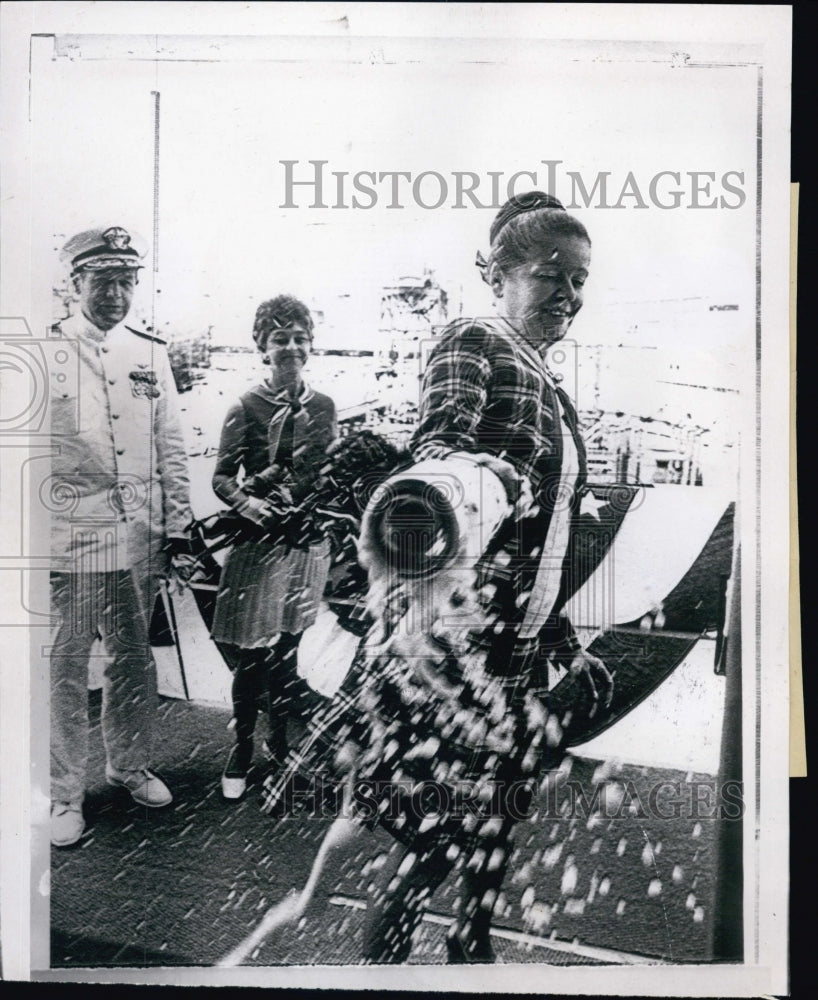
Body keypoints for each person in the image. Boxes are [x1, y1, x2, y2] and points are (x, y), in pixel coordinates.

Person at [355, 191, 614, 962]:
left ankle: (470, 948)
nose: (569, 294)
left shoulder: (554, 390)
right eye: (551, 275)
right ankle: (381, 973)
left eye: (581, 281)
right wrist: (466, 465)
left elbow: (539, 542)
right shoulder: (474, 338)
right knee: (433, 838)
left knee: (494, 823)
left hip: (519, 653)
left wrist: (565, 644)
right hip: (453, 649)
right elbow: (439, 443)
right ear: (497, 274)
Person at [49, 225, 193, 848]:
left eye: (126, 281)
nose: (115, 293)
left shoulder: (149, 352)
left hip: (137, 537)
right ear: (75, 283)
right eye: (102, 280)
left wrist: (180, 526)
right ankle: (63, 794)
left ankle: (127, 766)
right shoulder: (43, 350)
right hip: (68, 538)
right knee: (65, 666)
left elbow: (172, 447)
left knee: (134, 662)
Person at [211, 296, 337, 800]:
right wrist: (249, 505)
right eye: (279, 338)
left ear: (311, 344)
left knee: (288, 652)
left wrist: (322, 501)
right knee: (250, 658)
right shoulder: (244, 407)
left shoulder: (324, 407)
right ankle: (242, 749)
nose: (290, 347)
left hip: (306, 546)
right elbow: (221, 477)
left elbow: (328, 470)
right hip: (258, 546)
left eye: (299, 337)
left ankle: (280, 746)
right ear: (262, 346)